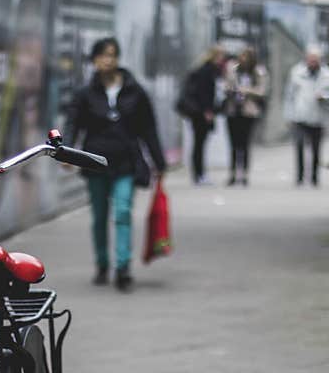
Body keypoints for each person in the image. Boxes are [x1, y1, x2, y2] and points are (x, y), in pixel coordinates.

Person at [63, 37, 167, 291]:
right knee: (99, 217)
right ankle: (102, 264)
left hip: (126, 162)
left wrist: (158, 161)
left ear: (118, 58)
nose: (107, 60)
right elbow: (73, 124)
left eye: (111, 55)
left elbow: (148, 128)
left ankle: (123, 268)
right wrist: (66, 154)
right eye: (102, 55)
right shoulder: (85, 94)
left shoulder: (135, 91)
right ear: (94, 61)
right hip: (95, 161)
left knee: (122, 212)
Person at [283, 44, 329, 186]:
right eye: (311, 59)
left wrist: (324, 97)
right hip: (300, 115)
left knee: (316, 148)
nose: (313, 62)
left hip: (318, 117)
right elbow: (289, 95)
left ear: (320, 60)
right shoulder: (296, 72)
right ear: (306, 59)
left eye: (315, 59)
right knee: (299, 146)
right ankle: (300, 177)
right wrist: (288, 115)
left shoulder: (328, 75)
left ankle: (314, 177)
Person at [180, 46, 227, 185]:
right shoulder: (206, 71)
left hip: (200, 112)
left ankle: (199, 174)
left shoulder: (207, 70)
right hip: (200, 113)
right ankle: (198, 174)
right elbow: (203, 93)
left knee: (199, 144)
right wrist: (207, 111)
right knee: (199, 144)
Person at [223, 47, 269, 186]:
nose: (243, 59)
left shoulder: (259, 72)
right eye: (241, 56)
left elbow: (262, 91)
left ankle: (244, 174)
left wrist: (247, 90)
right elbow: (225, 86)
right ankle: (232, 173)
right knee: (233, 144)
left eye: (246, 56)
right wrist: (231, 89)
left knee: (245, 144)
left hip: (249, 111)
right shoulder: (233, 69)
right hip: (233, 110)